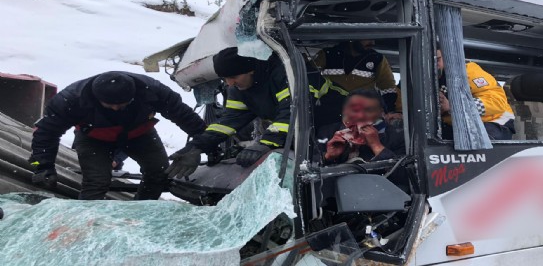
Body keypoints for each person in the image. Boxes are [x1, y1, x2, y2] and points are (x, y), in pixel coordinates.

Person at [29, 71, 207, 200]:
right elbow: (47, 133)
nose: (116, 109)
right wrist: (43, 166)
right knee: (96, 181)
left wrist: (200, 146)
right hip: (94, 139)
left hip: (140, 134)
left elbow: (185, 117)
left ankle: (142, 213)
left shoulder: (153, 91)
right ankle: (88, 223)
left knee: (159, 171)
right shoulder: (71, 100)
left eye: (122, 104)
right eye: (109, 105)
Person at [167, 47, 293, 177]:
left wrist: (266, 143)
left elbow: (293, 114)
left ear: (250, 70)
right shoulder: (240, 89)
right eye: (224, 78)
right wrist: (196, 146)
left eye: (233, 77)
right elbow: (229, 121)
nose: (230, 83)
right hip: (289, 137)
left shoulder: (286, 75)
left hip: (311, 141)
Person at [436, 49, 515, 140]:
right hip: (460, 127)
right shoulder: (430, 81)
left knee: (478, 143)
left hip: (495, 123)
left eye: (438, 59)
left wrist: (453, 106)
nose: (435, 64)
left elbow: (496, 102)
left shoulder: (467, 72)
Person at [313, 40, 401, 118]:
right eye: (368, 38)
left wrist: (391, 111)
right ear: (354, 37)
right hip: (330, 113)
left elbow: (388, 88)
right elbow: (308, 76)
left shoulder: (377, 59)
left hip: (362, 115)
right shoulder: (328, 54)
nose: (372, 43)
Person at [317, 89, 405, 165]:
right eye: (354, 110)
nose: (360, 116)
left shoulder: (397, 137)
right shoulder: (327, 133)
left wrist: (376, 146)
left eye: (368, 110)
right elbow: (309, 170)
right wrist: (328, 156)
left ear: (381, 113)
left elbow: (404, 176)